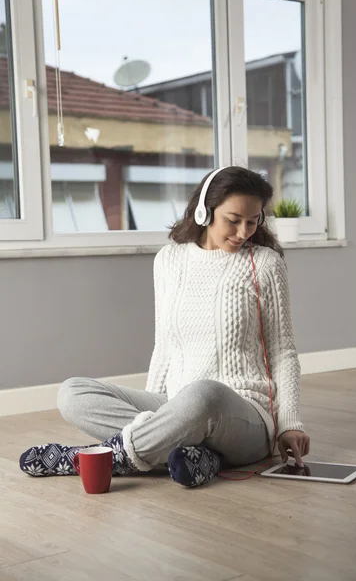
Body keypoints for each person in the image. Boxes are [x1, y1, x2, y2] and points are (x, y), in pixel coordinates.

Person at [20, 166, 310, 488]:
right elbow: (165, 344)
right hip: (178, 402)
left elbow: (282, 351)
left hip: (245, 415)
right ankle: (193, 455)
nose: (244, 232)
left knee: (204, 393)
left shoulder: (266, 264)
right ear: (204, 212)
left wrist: (289, 423)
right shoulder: (168, 261)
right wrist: (163, 415)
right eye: (233, 220)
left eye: (253, 221)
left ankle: (103, 456)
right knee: (72, 393)